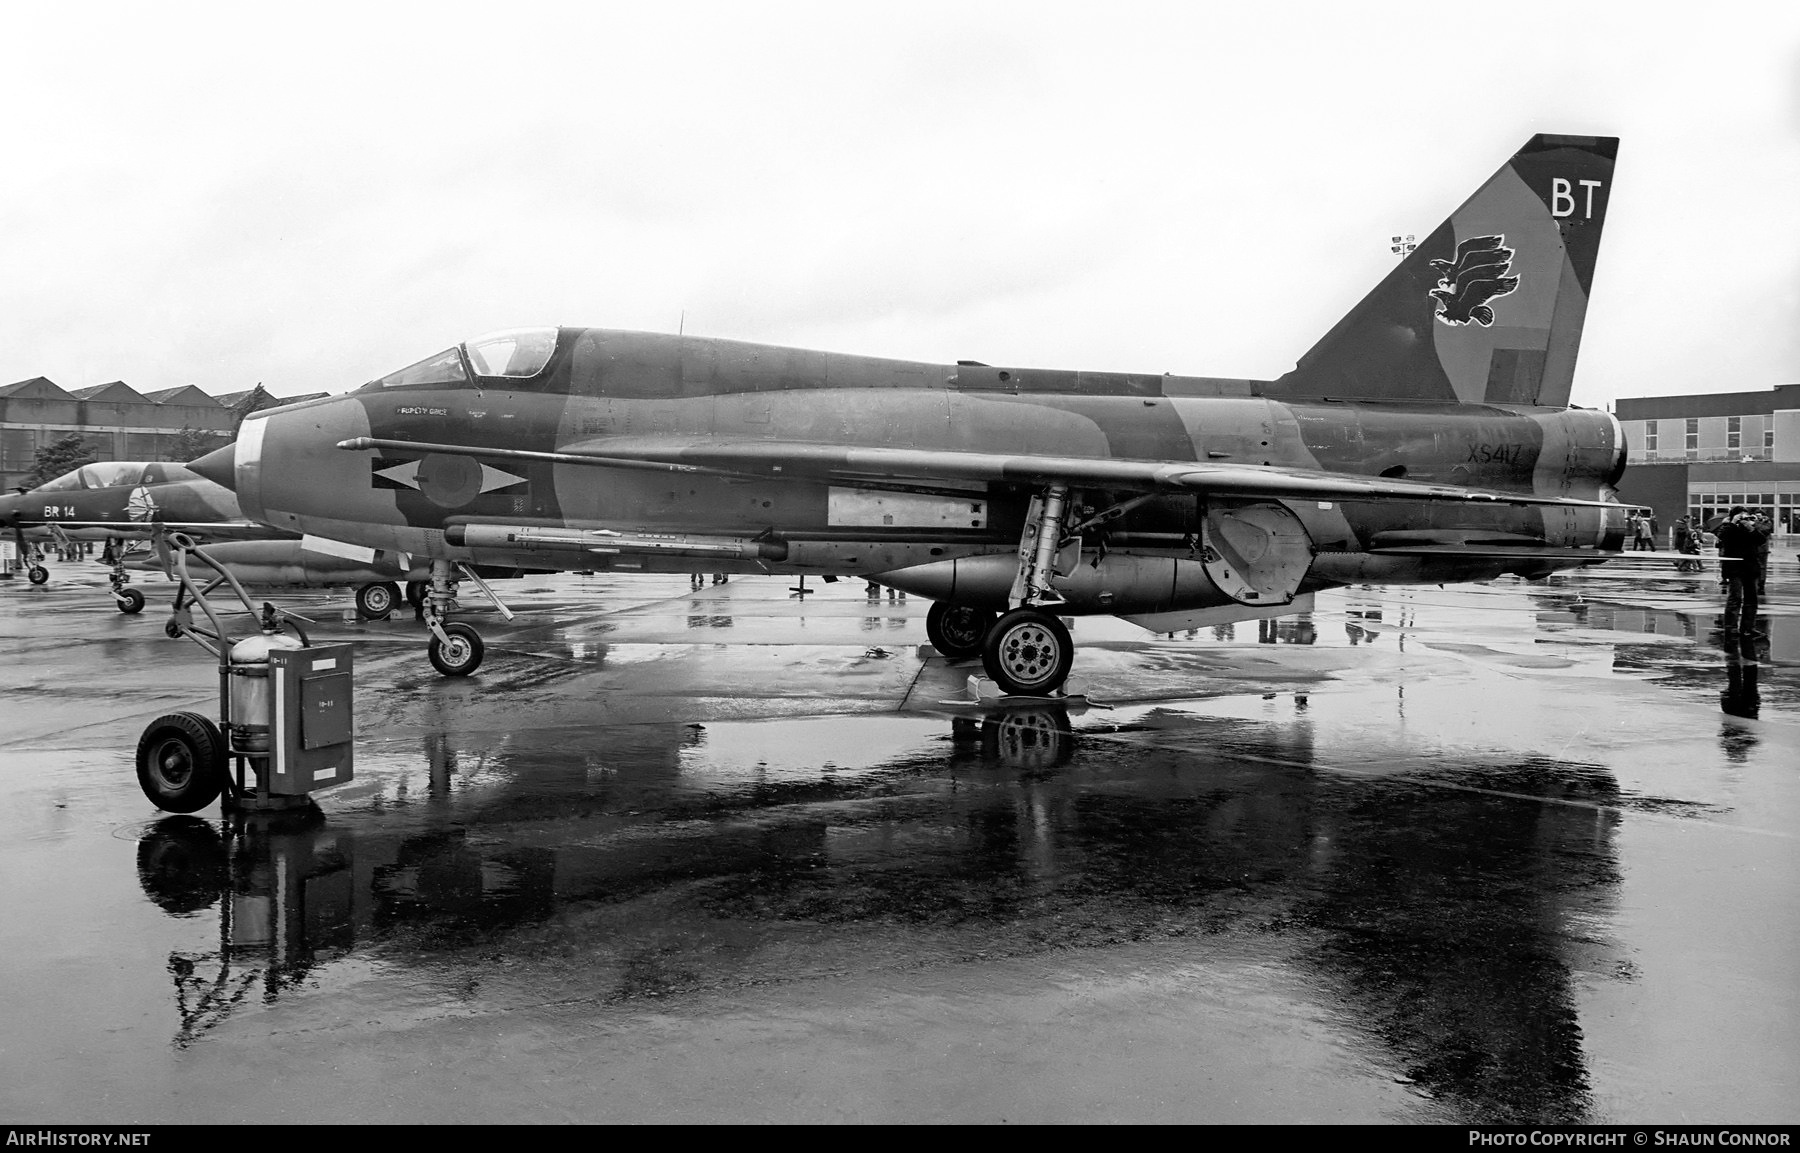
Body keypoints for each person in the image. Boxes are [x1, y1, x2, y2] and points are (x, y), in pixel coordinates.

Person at [1712, 506, 1772, 636]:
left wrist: (1750, 525)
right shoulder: (1728, 528)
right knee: (1735, 597)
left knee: (1751, 599)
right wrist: (1733, 523)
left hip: (1750, 566)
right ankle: (1731, 627)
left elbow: (1761, 539)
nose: (1743, 518)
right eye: (1741, 516)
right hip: (1734, 568)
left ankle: (1748, 627)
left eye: (1745, 515)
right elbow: (1722, 538)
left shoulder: (1750, 528)